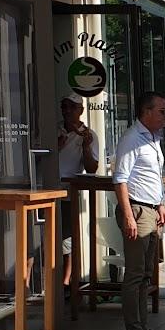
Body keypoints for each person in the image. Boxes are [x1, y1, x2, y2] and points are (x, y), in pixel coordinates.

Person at [112, 91, 165, 330]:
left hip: (150, 210)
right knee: (135, 275)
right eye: (161, 111)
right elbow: (120, 179)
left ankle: (143, 329)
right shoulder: (131, 139)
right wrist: (127, 216)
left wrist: (160, 204)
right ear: (146, 112)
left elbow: (150, 177)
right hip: (136, 211)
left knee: (147, 274)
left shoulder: (153, 138)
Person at [57, 96, 100, 286]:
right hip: (44, 189)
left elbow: (92, 168)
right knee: (39, 238)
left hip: (67, 192)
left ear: (80, 110)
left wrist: (86, 147)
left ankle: (66, 282)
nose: (66, 110)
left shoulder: (88, 135)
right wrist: (55, 146)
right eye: (63, 106)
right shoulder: (53, 129)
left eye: (71, 107)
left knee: (66, 238)